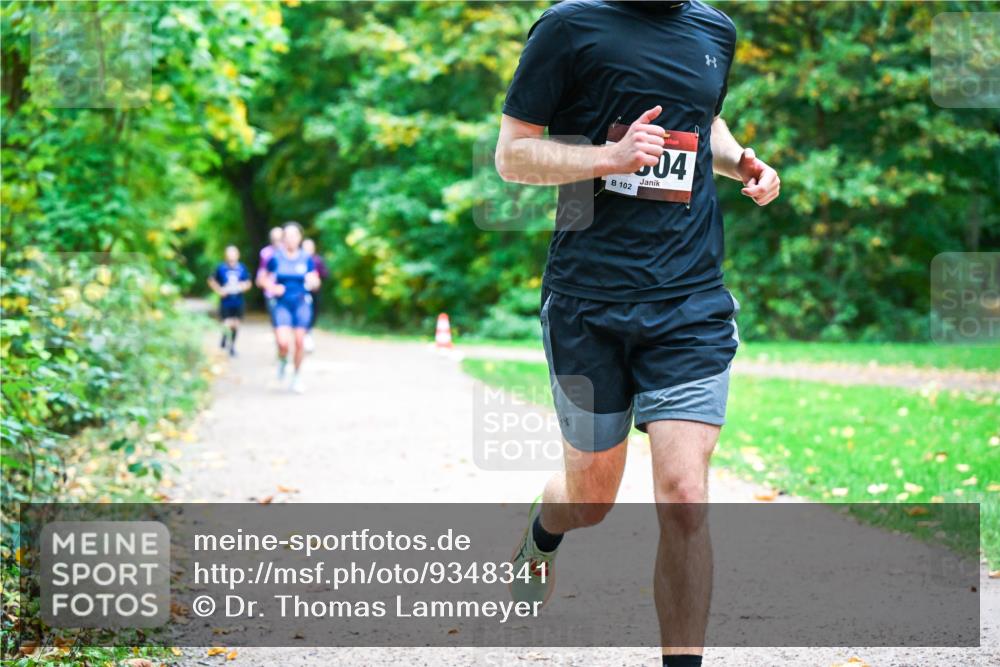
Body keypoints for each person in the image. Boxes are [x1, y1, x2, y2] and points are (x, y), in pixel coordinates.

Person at [495, 2, 780, 665]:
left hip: (689, 300)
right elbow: (512, 155)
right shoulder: (569, 26)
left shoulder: (714, 30)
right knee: (591, 500)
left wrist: (741, 161)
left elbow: (701, 117)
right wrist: (609, 157)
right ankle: (542, 532)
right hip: (587, 301)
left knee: (684, 493)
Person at [259, 222, 321, 393]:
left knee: (300, 341)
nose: (291, 239)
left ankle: (296, 377)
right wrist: (272, 287)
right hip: (281, 303)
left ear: (300, 238)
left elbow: (315, 278)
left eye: (295, 235)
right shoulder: (275, 257)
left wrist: (314, 282)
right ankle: (282, 360)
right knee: (283, 343)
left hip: (301, 302)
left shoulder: (306, 258)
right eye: (287, 236)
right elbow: (262, 278)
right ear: (283, 238)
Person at [207, 245, 251, 357]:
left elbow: (248, 282)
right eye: (229, 253)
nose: (232, 256)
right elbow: (211, 280)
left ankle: (231, 347)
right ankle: (223, 341)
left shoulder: (242, 268)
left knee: (236, 324)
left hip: (238, 300)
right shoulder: (221, 268)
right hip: (226, 300)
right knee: (226, 323)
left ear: (238, 255)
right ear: (226, 255)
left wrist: (243, 286)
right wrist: (219, 290)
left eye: (234, 253)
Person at [256, 226, 284, 357]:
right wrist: (269, 287)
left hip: (288, 293)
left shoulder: (289, 252)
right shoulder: (266, 253)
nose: (277, 241)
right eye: (274, 238)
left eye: (280, 238)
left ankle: (285, 348)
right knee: (276, 323)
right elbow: (261, 276)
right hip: (271, 294)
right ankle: (280, 349)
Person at [301, 238, 330, 353]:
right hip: (300, 294)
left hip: (315, 293)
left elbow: (325, 274)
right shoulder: (297, 259)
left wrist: (317, 279)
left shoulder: (317, 260)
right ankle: (304, 336)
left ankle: (307, 333)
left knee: (313, 314)